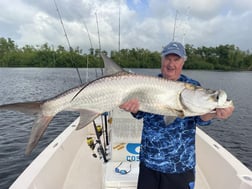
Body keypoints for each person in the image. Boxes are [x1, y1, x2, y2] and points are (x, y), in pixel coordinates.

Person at [119, 41, 234, 189]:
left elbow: (201, 117)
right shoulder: (149, 84)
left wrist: (215, 113)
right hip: (149, 162)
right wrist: (133, 109)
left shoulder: (192, 86)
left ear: (183, 62)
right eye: (167, 58)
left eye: (176, 59)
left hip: (180, 165)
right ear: (162, 60)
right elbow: (139, 113)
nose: (171, 64)